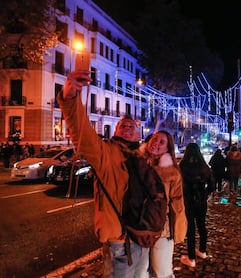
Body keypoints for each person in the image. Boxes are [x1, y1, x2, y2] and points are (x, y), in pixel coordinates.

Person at [58, 70, 164, 277]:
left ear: (138, 133)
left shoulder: (143, 158)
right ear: (115, 131)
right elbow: (83, 134)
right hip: (120, 239)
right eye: (122, 125)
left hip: (142, 236)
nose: (126, 127)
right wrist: (70, 97)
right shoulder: (106, 153)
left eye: (131, 126)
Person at [138, 130, 187, 277]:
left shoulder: (172, 173)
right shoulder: (136, 164)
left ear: (167, 148)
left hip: (162, 228)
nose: (156, 143)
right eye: (154, 139)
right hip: (138, 226)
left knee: (161, 271)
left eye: (161, 142)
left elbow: (177, 202)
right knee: (140, 273)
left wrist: (178, 230)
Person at [179, 143, 213, 268]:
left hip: (188, 201)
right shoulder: (204, 167)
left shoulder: (182, 167)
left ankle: (191, 257)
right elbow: (212, 186)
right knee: (202, 225)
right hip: (201, 201)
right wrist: (204, 194)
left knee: (191, 229)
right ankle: (203, 251)